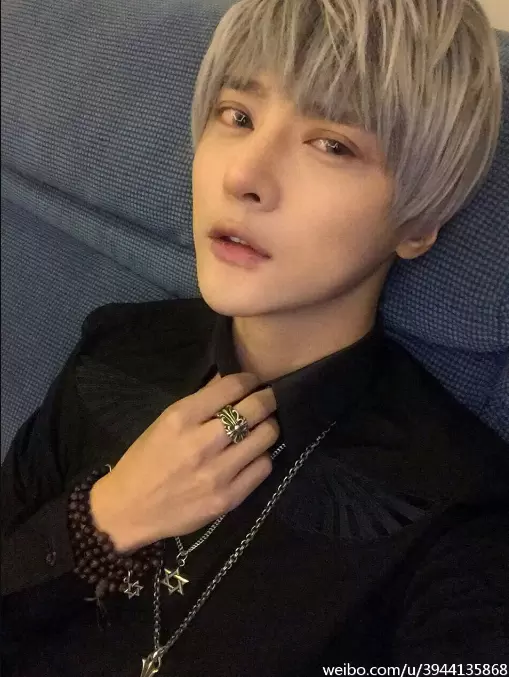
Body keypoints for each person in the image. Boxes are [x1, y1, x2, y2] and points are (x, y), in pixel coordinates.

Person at [1, 0, 508, 675]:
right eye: (237, 116)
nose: (242, 176)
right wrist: (102, 521)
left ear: (418, 225)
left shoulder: (458, 506)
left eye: (333, 144)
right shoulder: (115, 348)